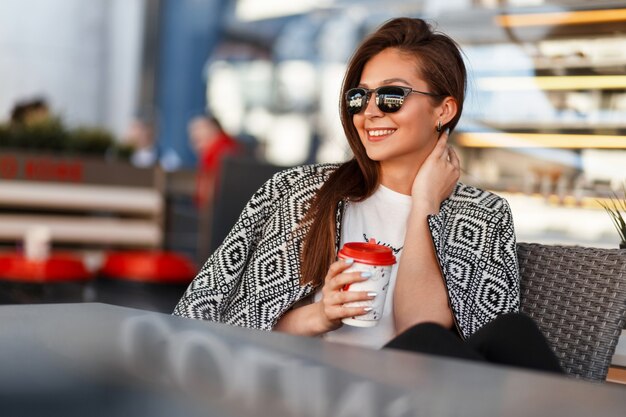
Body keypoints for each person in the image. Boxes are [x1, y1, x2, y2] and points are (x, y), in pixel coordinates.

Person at [174, 18, 562, 374]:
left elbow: (439, 345)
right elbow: (241, 325)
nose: (370, 112)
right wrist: (321, 315)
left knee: (513, 332)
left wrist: (424, 204)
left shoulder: (482, 215)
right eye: (360, 97)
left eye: (391, 96)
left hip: (431, 395)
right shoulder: (301, 194)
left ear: (443, 110)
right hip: (327, 388)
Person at [188, 115, 240, 208]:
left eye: (199, 129)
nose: (194, 135)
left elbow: (207, 193)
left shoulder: (222, 152)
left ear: (213, 130)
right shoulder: (221, 149)